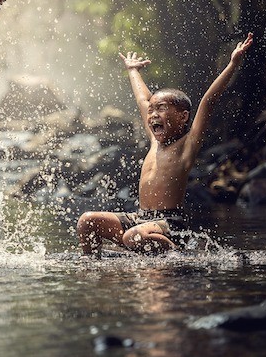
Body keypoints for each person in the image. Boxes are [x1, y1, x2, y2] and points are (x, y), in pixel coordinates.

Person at [77, 33, 254, 257]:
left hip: (169, 222)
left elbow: (208, 100)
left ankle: (179, 257)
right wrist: (133, 70)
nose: (152, 115)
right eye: (151, 111)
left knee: (133, 236)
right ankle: (92, 267)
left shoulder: (187, 145)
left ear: (182, 117)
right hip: (141, 218)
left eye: (160, 109)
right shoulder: (154, 140)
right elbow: (143, 99)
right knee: (87, 221)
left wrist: (232, 64)